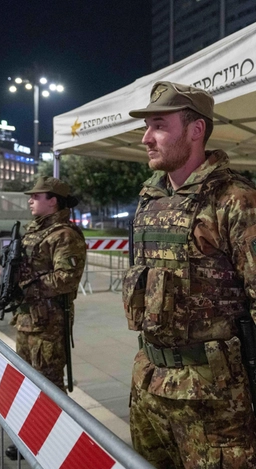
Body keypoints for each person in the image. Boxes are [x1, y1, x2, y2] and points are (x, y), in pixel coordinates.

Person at [123, 81, 256, 468]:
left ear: (196, 130)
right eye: (146, 127)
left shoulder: (234, 200)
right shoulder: (150, 200)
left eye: (159, 126)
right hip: (149, 383)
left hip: (213, 402)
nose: (146, 138)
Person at [5, 176, 86, 461]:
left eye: (36, 196)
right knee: (26, 382)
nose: (30, 199)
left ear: (53, 200)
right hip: (27, 322)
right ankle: (28, 436)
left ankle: (58, 441)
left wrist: (26, 286)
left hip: (49, 325)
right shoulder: (32, 233)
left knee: (49, 385)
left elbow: (66, 278)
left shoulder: (64, 235)